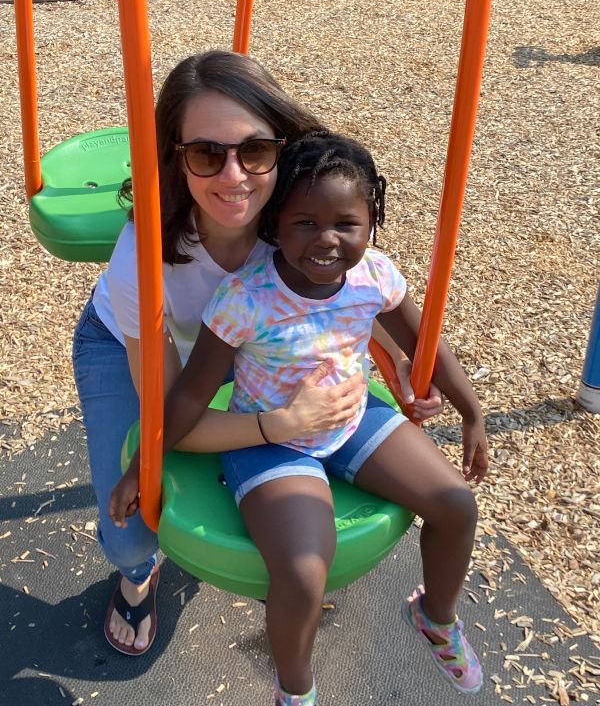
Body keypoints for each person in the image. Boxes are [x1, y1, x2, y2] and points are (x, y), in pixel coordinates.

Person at [72, 51, 442, 657]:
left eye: (255, 151)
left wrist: (387, 358)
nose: (234, 176)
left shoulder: (295, 216)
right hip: (131, 342)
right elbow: (172, 419)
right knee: (133, 528)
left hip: (236, 344)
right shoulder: (142, 258)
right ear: (176, 158)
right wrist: (280, 425)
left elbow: (332, 300)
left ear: (280, 149)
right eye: (206, 154)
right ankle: (138, 578)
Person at [110, 129, 489, 702]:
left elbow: (428, 347)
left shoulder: (375, 276)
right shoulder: (246, 298)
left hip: (349, 419)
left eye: (346, 224)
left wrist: (472, 411)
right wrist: (142, 466)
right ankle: (297, 689)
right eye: (305, 223)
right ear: (276, 225)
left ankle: (435, 618)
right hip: (268, 439)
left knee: (457, 504)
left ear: (371, 223)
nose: (326, 240)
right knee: (304, 568)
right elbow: (187, 396)